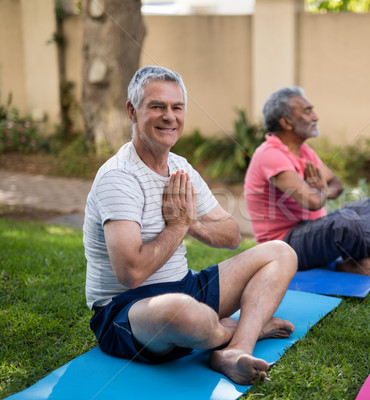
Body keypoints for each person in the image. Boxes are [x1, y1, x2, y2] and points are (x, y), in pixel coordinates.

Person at [83, 65, 297, 385]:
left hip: (186, 285)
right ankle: (246, 326)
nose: (169, 116)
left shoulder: (179, 167)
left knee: (281, 252)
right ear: (132, 111)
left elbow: (231, 235)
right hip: (127, 309)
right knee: (184, 313)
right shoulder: (119, 178)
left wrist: (189, 223)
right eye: (157, 106)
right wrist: (177, 226)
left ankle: (235, 348)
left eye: (177, 107)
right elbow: (131, 273)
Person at [244, 86, 370, 276]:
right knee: (343, 222)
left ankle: (358, 262)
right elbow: (312, 202)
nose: (315, 116)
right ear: (286, 122)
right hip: (283, 245)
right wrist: (319, 192)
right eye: (307, 111)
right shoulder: (270, 154)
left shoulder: (303, 151)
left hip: (312, 232)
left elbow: (336, 184)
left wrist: (322, 191)